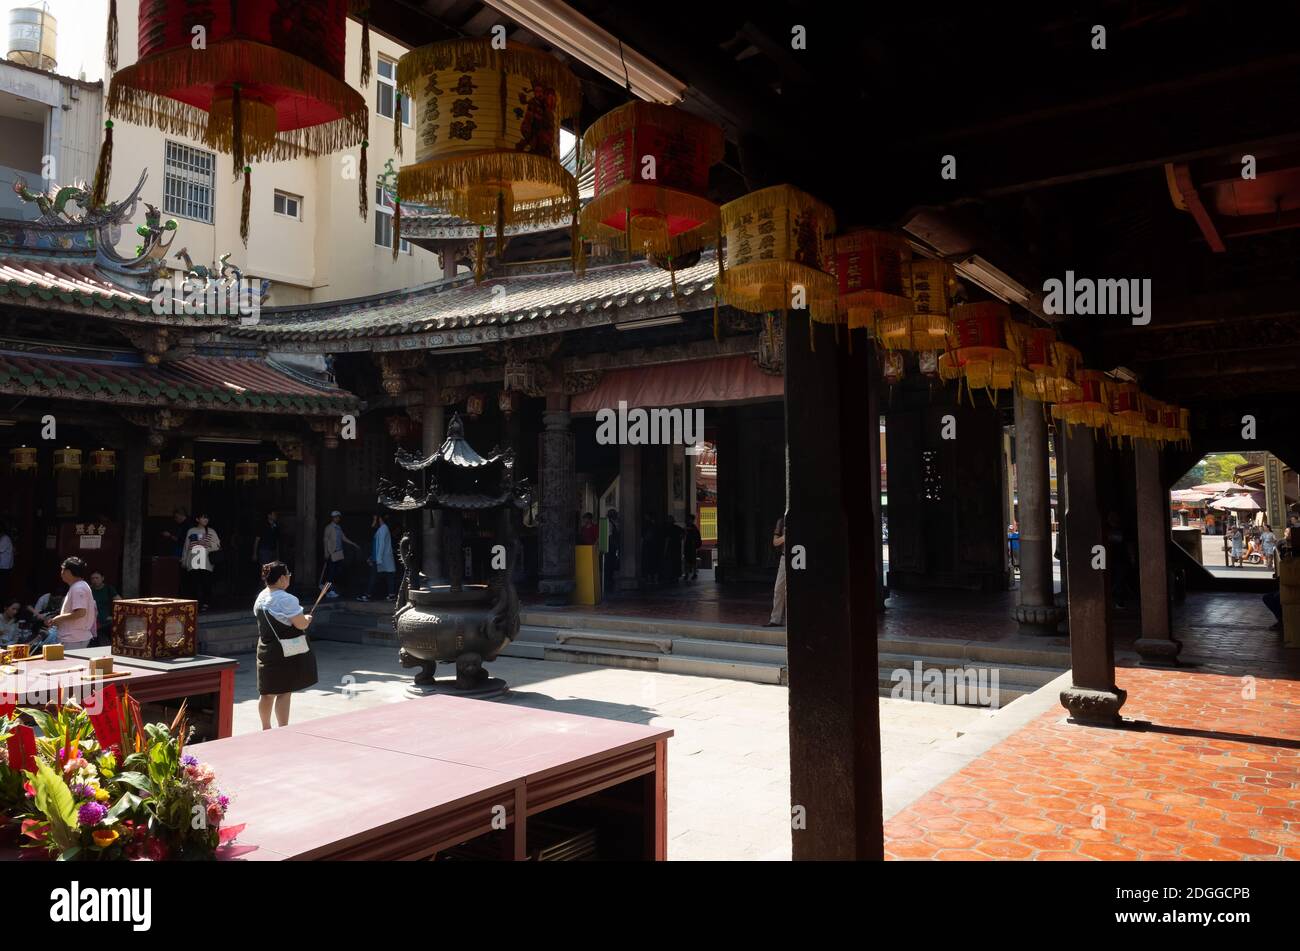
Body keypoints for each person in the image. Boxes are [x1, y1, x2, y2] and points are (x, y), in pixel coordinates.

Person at [253, 561, 318, 729]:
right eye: (288, 575)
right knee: (284, 690)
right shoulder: (287, 599)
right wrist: (307, 619)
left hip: (265, 648)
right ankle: (283, 728)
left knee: (266, 693)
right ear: (282, 578)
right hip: (283, 650)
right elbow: (301, 624)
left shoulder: (261, 596)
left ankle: (265, 727)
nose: (289, 578)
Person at [46, 556, 96, 650]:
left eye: (63, 570)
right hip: (75, 637)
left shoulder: (78, 588)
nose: (61, 573)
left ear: (68, 572)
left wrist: (59, 618)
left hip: (74, 638)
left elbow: (80, 612)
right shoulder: (80, 586)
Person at [182, 513, 221, 610]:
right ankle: (194, 604)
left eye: (207, 517)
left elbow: (218, 545)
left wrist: (207, 545)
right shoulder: (191, 531)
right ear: (197, 519)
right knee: (193, 584)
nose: (205, 519)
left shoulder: (211, 531)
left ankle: (206, 603)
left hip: (206, 561)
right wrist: (184, 559)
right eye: (203, 517)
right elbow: (186, 546)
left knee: (206, 583)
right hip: (193, 560)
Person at [357, 512, 397, 602]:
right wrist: (372, 557)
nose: (374, 521)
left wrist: (378, 558)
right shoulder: (381, 529)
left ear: (380, 519)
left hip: (380, 558)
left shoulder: (383, 529)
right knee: (388, 575)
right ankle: (391, 595)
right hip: (379, 557)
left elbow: (381, 545)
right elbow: (376, 545)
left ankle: (367, 595)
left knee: (375, 577)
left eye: (375, 518)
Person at [322, 511, 359, 599]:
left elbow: (343, 538)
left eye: (338, 517)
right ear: (333, 518)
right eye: (336, 517)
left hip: (339, 553)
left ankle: (331, 589)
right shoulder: (329, 527)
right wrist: (326, 553)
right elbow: (325, 540)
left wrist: (353, 544)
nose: (338, 518)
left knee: (337, 572)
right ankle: (329, 590)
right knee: (331, 572)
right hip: (332, 552)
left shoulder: (338, 527)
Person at [765, 514, 786, 627]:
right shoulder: (781, 521)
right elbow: (775, 542)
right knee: (779, 589)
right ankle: (775, 619)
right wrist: (784, 537)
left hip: (799, 557)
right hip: (785, 557)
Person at [88, 570, 120, 647]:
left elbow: (120, 602)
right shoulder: (88, 590)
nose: (94, 580)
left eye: (97, 578)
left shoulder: (109, 589)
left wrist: (115, 617)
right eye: (92, 578)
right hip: (93, 623)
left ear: (102, 578)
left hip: (107, 622)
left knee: (112, 644)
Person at [252, 510, 281, 577]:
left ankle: (269, 585)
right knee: (265, 570)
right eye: (274, 514)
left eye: (275, 515)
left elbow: (277, 541)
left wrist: (277, 554)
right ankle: (263, 585)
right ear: (269, 515)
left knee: (272, 570)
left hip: (273, 551)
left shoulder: (275, 527)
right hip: (264, 551)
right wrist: (254, 553)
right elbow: (257, 540)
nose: (275, 516)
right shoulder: (262, 526)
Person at [603, 508, 621, 595]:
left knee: (611, 562)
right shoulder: (609, 524)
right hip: (610, 546)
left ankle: (609, 579)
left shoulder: (613, 523)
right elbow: (610, 536)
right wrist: (615, 545)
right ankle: (608, 580)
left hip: (612, 546)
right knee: (609, 563)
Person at [641, 514, 661, 585]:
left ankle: (651, 579)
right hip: (653, 547)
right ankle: (653, 579)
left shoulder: (649, 526)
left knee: (650, 563)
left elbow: (646, 537)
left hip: (650, 547)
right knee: (652, 563)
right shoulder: (655, 527)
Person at [683, 513, 702, 581]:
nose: (688, 520)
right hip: (687, 545)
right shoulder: (688, 527)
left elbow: (697, 538)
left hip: (692, 546)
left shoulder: (694, 528)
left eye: (690, 519)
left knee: (693, 561)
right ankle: (687, 574)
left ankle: (694, 574)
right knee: (687, 560)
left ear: (692, 520)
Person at [0, 524, 12, 601]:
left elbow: (0, 549)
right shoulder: (3, 538)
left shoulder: (5, 539)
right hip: (3, 566)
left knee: (2, 586)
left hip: (4, 566)